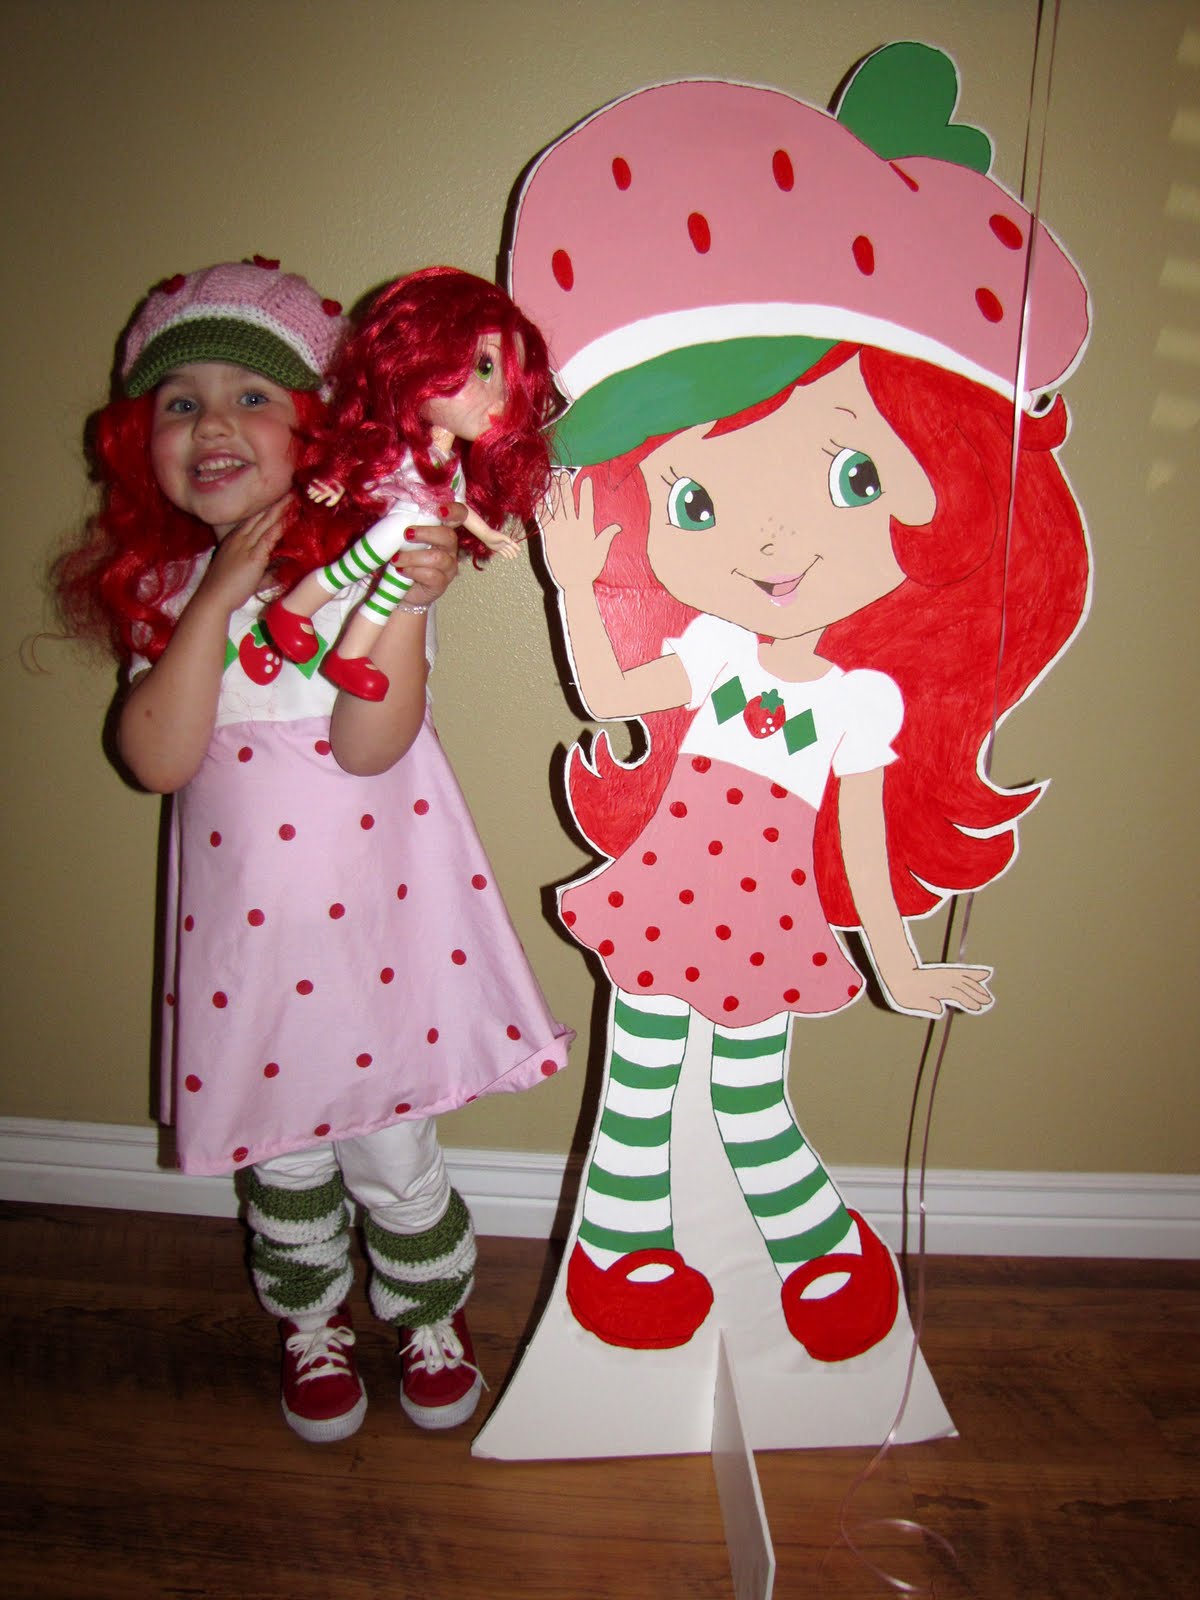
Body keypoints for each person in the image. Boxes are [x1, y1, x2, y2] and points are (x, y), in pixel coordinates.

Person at [54, 256, 572, 1442]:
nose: (213, 424)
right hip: (250, 953)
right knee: (281, 1160)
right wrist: (212, 601)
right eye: (180, 402)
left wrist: (406, 605)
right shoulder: (164, 588)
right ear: (140, 442)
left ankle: (429, 1314)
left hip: (374, 935)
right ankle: (310, 1320)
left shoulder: (363, 571)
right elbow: (157, 757)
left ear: (316, 427)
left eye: (252, 396)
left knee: (394, 1148)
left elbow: (371, 744)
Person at [263, 266, 558, 701]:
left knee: (386, 597)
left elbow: (454, 509)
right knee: (348, 570)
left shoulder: (451, 464)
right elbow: (367, 469)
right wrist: (338, 482)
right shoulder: (403, 451)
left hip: (413, 541)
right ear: (418, 359)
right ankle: (291, 611)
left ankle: (350, 655)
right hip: (396, 529)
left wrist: (488, 534)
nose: (500, 399)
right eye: (484, 367)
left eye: (510, 385)